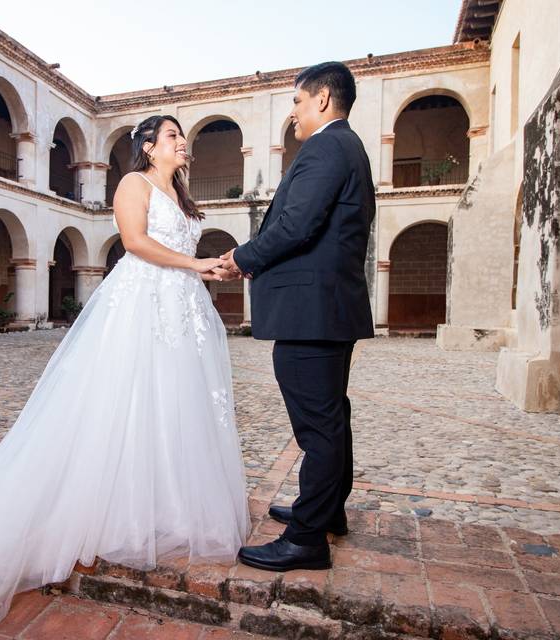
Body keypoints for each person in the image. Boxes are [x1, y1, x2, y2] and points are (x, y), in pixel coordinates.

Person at [0, 114, 251, 630]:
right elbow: (137, 243)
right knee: (125, 396)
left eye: (182, 137)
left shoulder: (181, 194)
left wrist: (219, 264)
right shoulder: (132, 184)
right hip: (141, 302)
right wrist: (197, 266)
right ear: (147, 145)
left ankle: (168, 505)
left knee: (176, 400)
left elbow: (185, 250)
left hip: (183, 307)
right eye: (172, 136)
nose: (182, 143)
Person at [221, 61, 376, 572]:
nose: (293, 112)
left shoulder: (328, 147)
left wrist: (242, 258)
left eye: (296, 101)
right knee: (332, 416)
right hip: (326, 309)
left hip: (312, 313)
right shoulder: (344, 146)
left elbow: (296, 225)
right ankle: (327, 510)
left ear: (324, 99)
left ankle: (308, 538)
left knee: (318, 426)